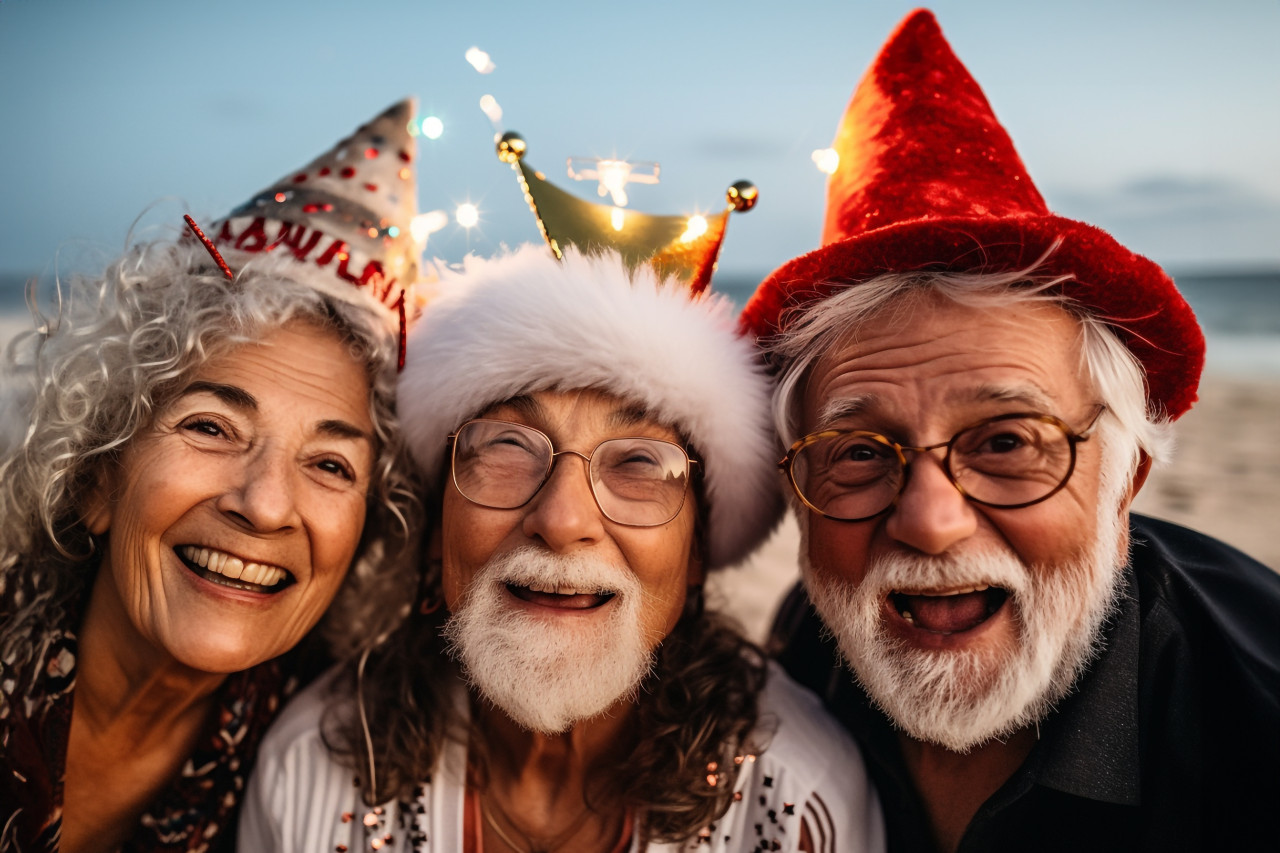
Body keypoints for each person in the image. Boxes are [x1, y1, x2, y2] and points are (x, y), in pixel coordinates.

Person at [739, 10, 1280, 853]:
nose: (928, 519)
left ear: (1126, 472)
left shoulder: (1256, 738)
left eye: (1004, 441)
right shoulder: (807, 654)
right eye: (856, 453)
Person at [239, 245, 886, 852]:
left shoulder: (800, 801)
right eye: (508, 448)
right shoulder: (309, 767)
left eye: (638, 462)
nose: (562, 518)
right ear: (437, 532)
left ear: (694, 554)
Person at [0, 100, 423, 853]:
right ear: (98, 473)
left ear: (365, 543)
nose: (263, 504)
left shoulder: (328, 786)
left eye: (330, 464)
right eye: (210, 427)